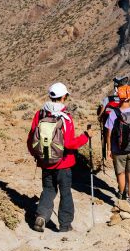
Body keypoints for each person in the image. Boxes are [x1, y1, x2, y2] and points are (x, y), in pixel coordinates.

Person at [27, 82, 91, 232]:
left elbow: (31, 139)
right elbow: (69, 144)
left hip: (45, 162)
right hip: (64, 163)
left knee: (48, 190)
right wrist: (85, 137)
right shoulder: (66, 117)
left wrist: (38, 155)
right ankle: (65, 225)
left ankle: (41, 216)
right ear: (64, 97)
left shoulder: (40, 114)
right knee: (65, 193)